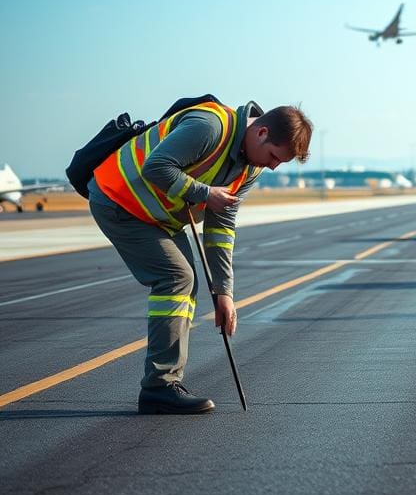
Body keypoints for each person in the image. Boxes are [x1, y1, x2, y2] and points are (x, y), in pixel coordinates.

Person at [88, 99, 312, 414]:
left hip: (159, 216)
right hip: (119, 199)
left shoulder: (249, 167)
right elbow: (156, 167)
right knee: (177, 277)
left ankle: (163, 384)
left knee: (184, 282)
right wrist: (205, 193)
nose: (273, 167)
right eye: (274, 157)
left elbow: (221, 226)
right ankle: (159, 388)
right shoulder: (210, 127)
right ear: (261, 132)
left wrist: (224, 292)